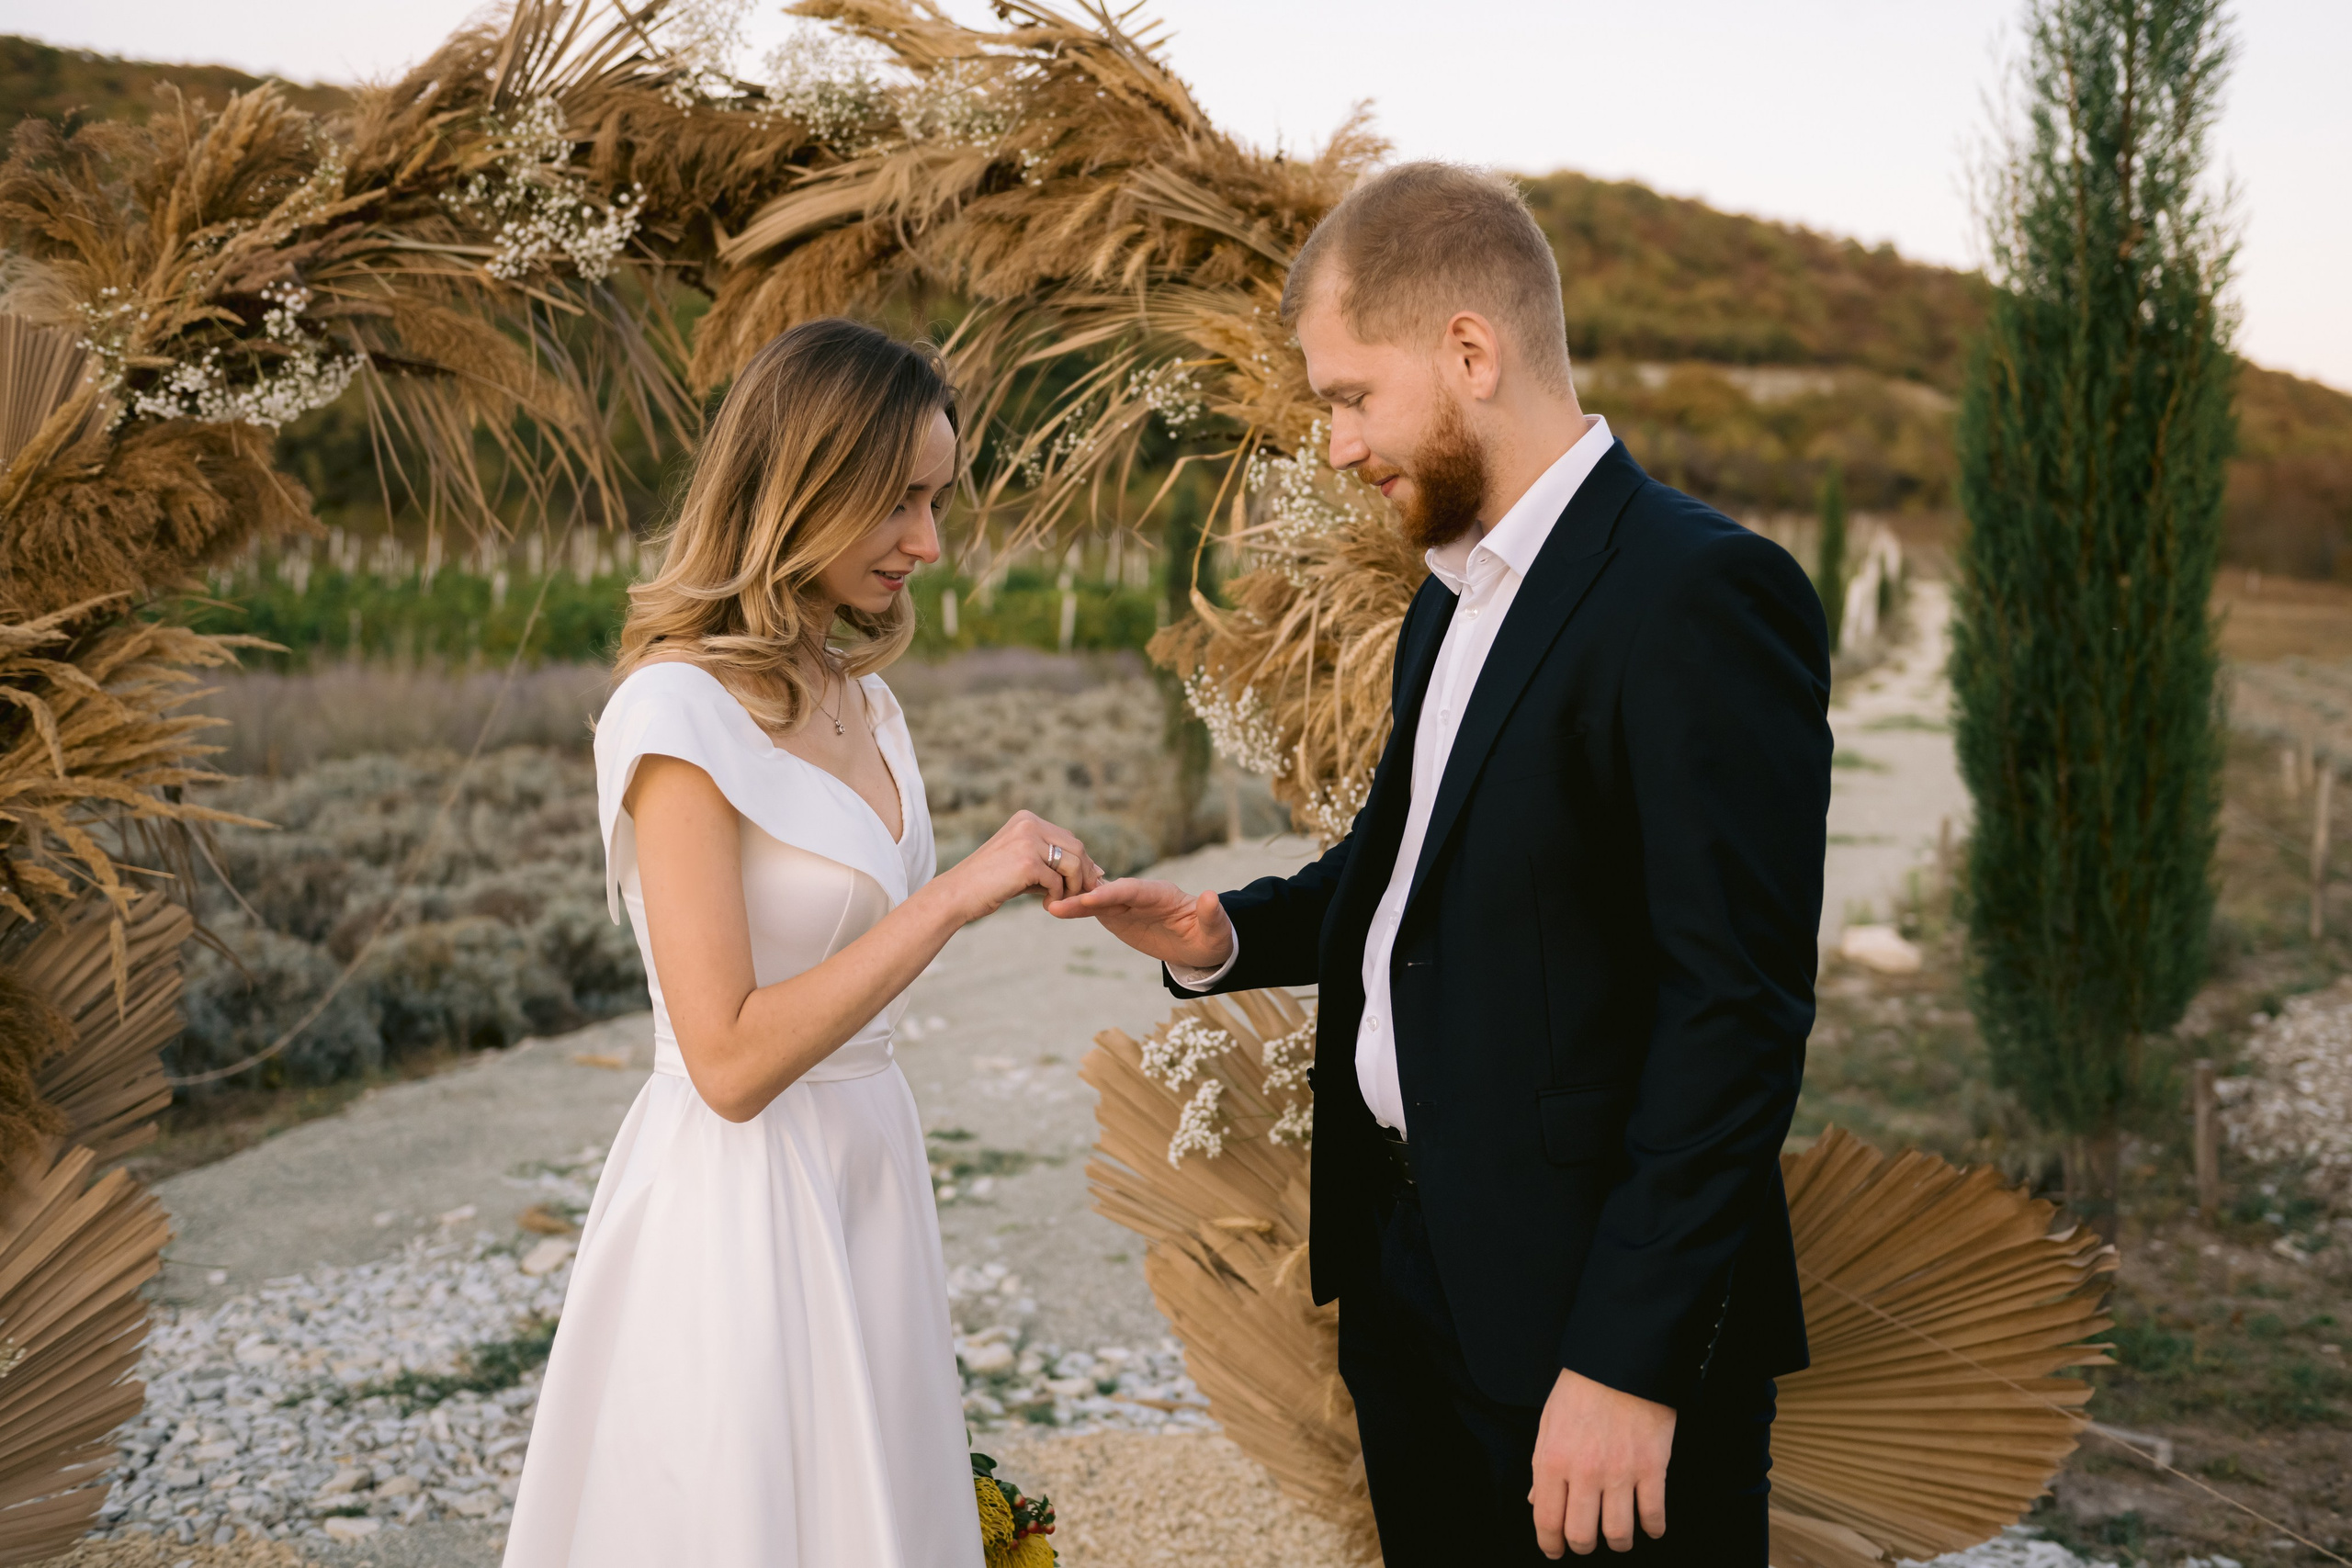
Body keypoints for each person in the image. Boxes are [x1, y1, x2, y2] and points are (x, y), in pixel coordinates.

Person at [1052, 164, 1831, 1564]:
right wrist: (1225, 931)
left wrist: (1627, 1362)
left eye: (1351, 396)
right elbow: (1419, 869)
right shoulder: (1450, 598)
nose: (1339, 447)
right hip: (1415, 1291)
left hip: (1589, 1333)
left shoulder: (1700, 595)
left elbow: (1737, 1011)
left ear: (1470, 351)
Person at [503, 319, 1102, 1567]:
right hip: (742, 1202)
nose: (928, 542)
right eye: (898, 500)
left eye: (936, 499)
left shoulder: (864, 700)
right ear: (798, 485)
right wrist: (955, 894)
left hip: (870, 1168)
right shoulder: (675, 715)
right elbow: (723, 1061)